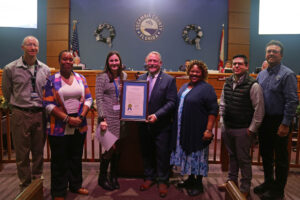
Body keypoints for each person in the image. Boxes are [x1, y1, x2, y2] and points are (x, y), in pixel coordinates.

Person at [43, 50, 93, 199]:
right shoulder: (52, 80)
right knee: (59, 159)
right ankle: (58, 191)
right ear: (59, 61)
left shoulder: (81, 78)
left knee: (76, 157)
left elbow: (89, 99)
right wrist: (67, 119)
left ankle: (76, 185)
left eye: (70, 60)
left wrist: (81, 116)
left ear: (74, 62)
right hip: (59, 126)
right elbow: (48, 104)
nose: (67, 62)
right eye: (64, 59)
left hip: (79, 123)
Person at [2, 36, 50, 188]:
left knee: (38, 152)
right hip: (20, 114)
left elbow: (47, 92)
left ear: (38, 48)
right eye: (29, 44)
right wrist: (18, 106)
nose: (32, 47)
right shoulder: (10, 69)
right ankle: (25, 184)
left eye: (35, 45)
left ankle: (36, 183)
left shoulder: (45, 69)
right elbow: (7, 92)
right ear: (22, 47)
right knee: (21, 153)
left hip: (40, 114)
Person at [254, 40, 298, 200]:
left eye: (275, 51)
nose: (271, 53)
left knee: (280, 158)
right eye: (269, 51)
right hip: (264, 121)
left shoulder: (288, 74)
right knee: (265, 154)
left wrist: (285, 124)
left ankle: (278, 190)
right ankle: (268, 182)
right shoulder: (262, 74)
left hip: (280, 121)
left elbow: (292, 101)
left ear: (281, 55)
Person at [218, 54, 265, 198]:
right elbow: (223, 103)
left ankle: (244, 188)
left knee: (243, 160)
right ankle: (231, 182)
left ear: (246, 66)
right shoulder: (227, 81)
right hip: (228, 127)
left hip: (243, 130)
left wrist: (252, 129)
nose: (236, 66)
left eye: (240, 64)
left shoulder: (253, 85)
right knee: (232, 157)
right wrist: (222, 122)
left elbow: (259, 109)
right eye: (234, 64)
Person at [170, 60, 218, 196]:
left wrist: (208, 130)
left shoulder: (207, 88)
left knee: (198, 156)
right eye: (192, 71)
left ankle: (198, 184)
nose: (194, 74)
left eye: (197, 71)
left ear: (203, 73)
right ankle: (190, 180)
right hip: (184, 129)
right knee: (188, 155)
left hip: (199, 129)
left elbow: (213, 110)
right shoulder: (185, 86)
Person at [138, 51, 177, 198]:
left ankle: (162, 180)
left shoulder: (169, 80)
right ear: (146, 63)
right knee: (146, 152)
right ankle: (149, 177)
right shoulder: (140, 78)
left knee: (162, 154)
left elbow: (172, 102)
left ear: (160, 63)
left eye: (155, 61)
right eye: (150, 61)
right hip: (143, 125)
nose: (152, 64)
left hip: (161, 125)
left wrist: (157, 115)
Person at [95, 51, 126, 191]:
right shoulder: (102, 77)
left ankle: (113, 176)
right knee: (109, 149)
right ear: (108, 63)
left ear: (120, 62)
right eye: (111, 61)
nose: (114, 63)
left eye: (116, 60)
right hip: (107, 118)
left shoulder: (123, 76)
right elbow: (99, 99)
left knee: (117, 149)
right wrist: (102, 118)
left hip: (121, 118)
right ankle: (102, 178)